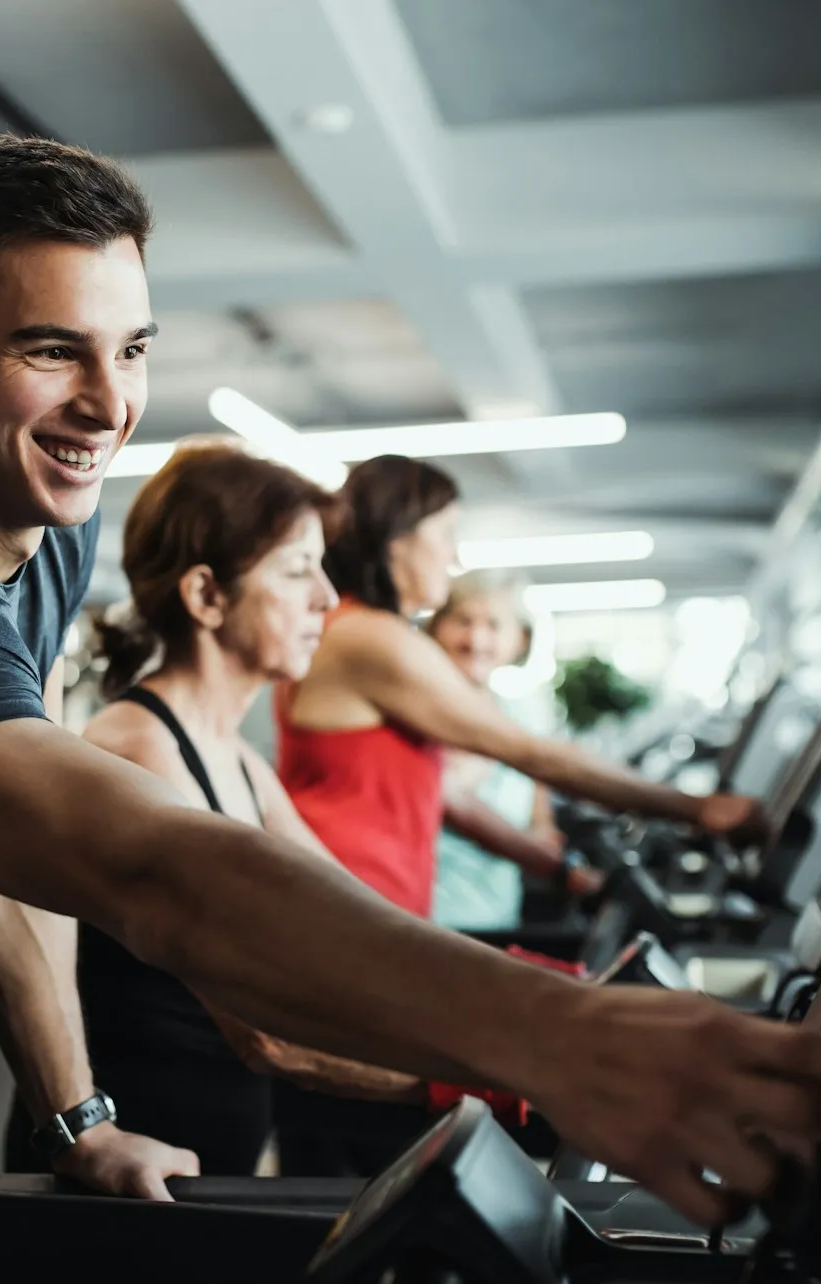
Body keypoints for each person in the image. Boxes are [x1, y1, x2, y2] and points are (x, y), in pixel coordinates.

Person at [0, 134, 821, 1276]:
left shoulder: (27, 510)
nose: (109, 406)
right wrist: (558, 1040)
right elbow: (157, 873)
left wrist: (77, 1117)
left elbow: (6, 864)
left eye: (135, 349)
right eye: (52, 350)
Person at [269, 456, 769, 1175]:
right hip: (345, 922)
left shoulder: (364, 635)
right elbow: (533, 753)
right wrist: (700, 810)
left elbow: (452, 800)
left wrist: (564, 869)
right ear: (399, 538)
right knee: (355, 1168)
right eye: (447, 535)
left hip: (368, 918)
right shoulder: (369, 637)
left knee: (371, 1161)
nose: (456, 555)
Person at [31, 440, 445, 1176]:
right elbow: (266, 1032)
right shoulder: (140, 752)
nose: (325, 596)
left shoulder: (237, 758)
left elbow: (352, 920)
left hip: (214, 1145)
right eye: (296, 571)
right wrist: (514, 1076)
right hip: (139, 1175)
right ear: (207, 596)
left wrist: (543, 1001)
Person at [425, 570, 600, 932]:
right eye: (463, 621)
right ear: (438, 629)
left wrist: (549, 843)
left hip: (498, 917)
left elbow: (541, 820)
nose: (476, 639)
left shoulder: (523, 722)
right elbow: (451, 803)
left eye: (493, 625)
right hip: (426, 918)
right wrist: (562, 868)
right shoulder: (419, 714)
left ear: (519, 639)